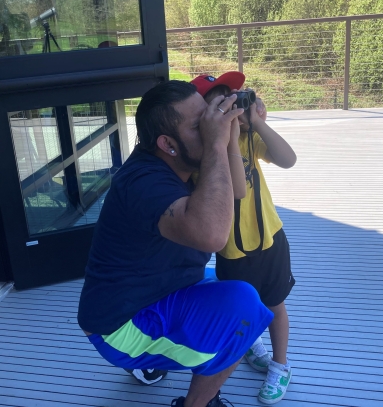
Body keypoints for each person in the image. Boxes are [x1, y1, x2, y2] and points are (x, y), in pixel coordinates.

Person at [77, 80, 274, 407]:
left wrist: (234, 122)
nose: (215, 127)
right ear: (168, 144)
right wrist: (215, 144)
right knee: (243, 310)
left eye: (211, 115)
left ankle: (182, 375)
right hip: (119, 325)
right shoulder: (144, 182)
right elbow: (212, 234)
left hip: (162, 289)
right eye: (201, 126)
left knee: (237, 291)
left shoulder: (181, 160)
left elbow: (236, 190)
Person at [191, 72, 297, 404]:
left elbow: (288, 160)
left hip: (270, 238)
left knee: (275, 305)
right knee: (242, 309)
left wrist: (257, 122)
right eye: (219, 102)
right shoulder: (204, 153)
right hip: (233, 249)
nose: (231, 107)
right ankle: (253, 345)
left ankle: (280, 365)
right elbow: (237, 190)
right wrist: (228, 134)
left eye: (233, 97)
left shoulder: (247, 139)